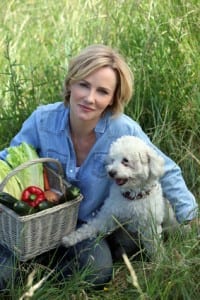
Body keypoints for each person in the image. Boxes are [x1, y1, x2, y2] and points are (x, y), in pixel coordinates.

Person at [0, 44, 198, 290]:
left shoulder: (123, 130)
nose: (90, 98)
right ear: (71, 83)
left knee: (97, 271)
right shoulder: (42, 120)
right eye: (83, 84)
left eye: (102, 91)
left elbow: (166, 170)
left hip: (86, 224)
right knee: (2, 278)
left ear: (113, 99)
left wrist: (190, 218)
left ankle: (36, 266)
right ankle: (29, 262)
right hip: (36, 222)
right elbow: (9, 160)